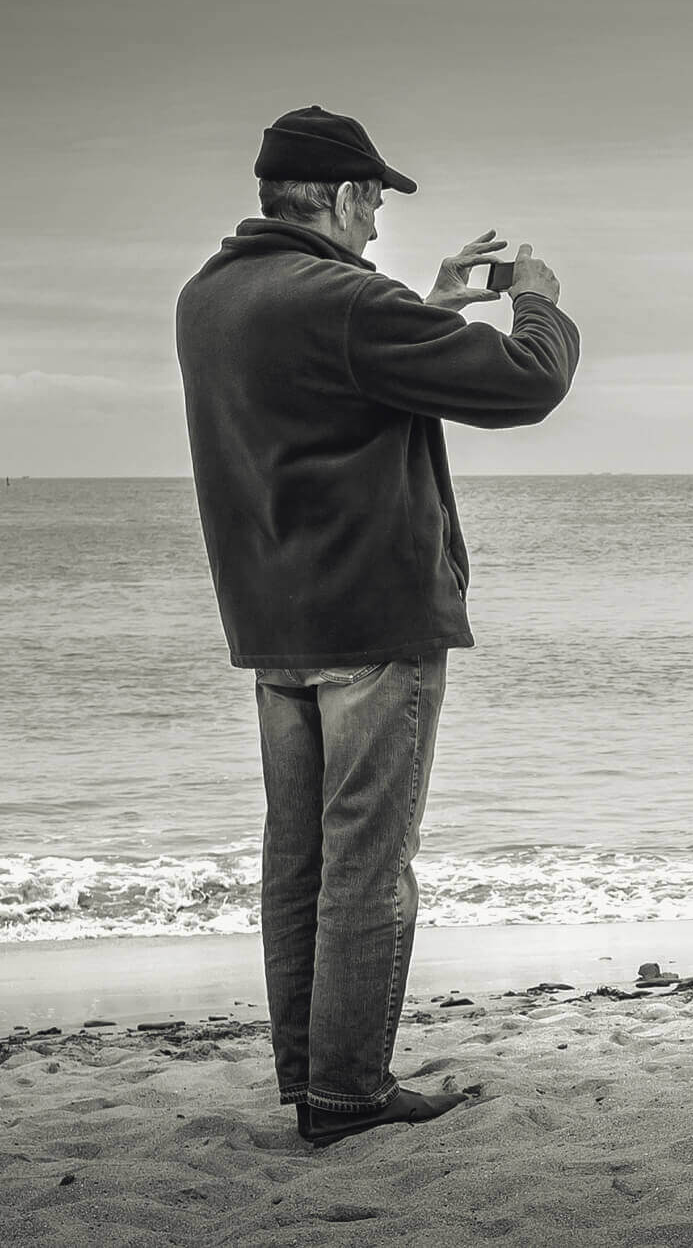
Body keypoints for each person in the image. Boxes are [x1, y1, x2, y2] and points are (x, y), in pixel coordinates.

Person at [176, 105, 582, 1147]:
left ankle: (312, 1077)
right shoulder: (345, 301)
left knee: (300, 859)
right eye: (374, 207)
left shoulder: (212, 295)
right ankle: (349, 1095)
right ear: (348, 196)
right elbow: (524, 385)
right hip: (371, 616)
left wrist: (426, 304)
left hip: (272, 625)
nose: (374, 230)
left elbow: (334, 378)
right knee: (368, 862)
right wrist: (536, 304)